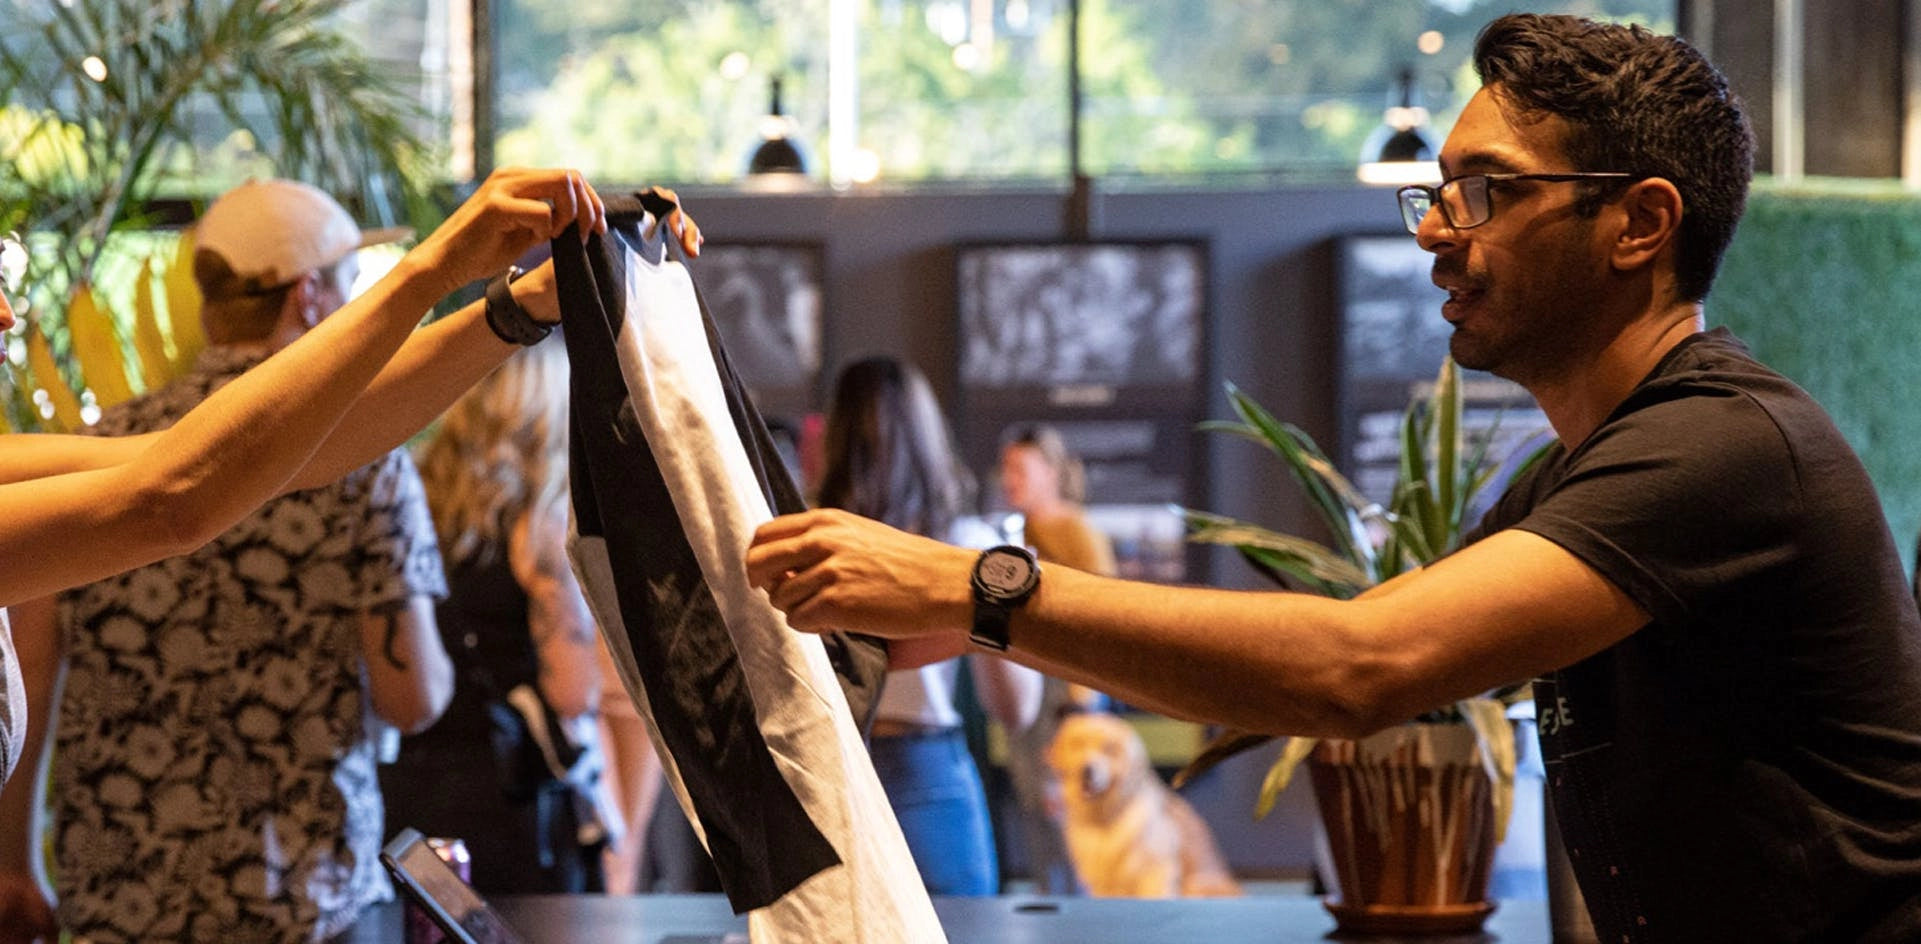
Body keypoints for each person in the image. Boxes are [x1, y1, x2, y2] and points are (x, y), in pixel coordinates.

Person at [746, 14, 1921, 943]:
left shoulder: (1720, 450)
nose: (1434, 231)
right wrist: (972, 620)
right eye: (1439, 190)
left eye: (1487, 192)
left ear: (1638, 223)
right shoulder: (1580, 473)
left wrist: (980, 588)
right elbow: (1342, 660)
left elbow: (1361, 667)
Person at [0, 170, 700, 943]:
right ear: (307, 291)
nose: (5, 310)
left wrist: (518, 308)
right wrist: (433, 269)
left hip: (123, 900)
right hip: (303, 898)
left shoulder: (97, 443)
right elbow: (177, 497)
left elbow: (279, 456)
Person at [382, 337, 631, 895]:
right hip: (509, 807)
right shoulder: (541, 528)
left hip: (405, 797)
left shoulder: (411, 502)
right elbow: (572, 693)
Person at [814, 356, 1041, 896]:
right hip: (929, 772)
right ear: (927, 435)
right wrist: (1005, 598)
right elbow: (1017, 709)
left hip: (830, 768)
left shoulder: (807, 539)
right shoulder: (971, 547)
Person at [995, 423, 1114, 893]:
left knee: (1070, 822)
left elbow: (1108, 621)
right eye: (1005, 468)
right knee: (1036, 815)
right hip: (1029, 687)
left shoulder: (1079, 532)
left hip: (1067, 695)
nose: (1009, 479)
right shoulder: (1017, 533)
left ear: (1050, 471)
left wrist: (1081, 706)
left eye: (1019, 468)